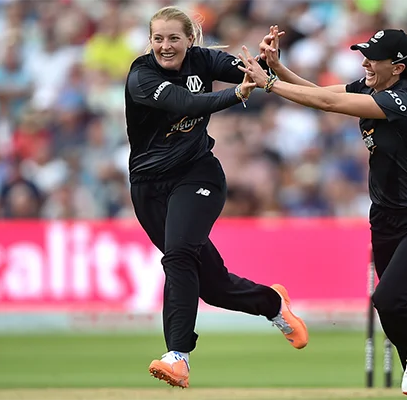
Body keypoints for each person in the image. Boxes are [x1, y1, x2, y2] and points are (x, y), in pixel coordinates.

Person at [240, 26, 407, 400]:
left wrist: (268, 85)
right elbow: (317, 93)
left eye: (373, 57)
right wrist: (276, 70)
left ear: (397, 67)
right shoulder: (370, 87)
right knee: (404, 308)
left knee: (390, 300)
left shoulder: (401, 101)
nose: (365, 61)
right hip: (385, 218)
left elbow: (329, 106)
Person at [124, 8, 307, 389]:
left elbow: (254, 72)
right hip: (148, 188)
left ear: (190, 38)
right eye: (158, 38)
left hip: (197, 175)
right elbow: (186, 104)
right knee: (212, 285)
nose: (165, 46)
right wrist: (237, 94)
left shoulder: (204, 60)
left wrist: (266, 61)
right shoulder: (142, 75)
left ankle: (177, 357)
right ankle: (273, 304)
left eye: (174, 38)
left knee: (177, 256)